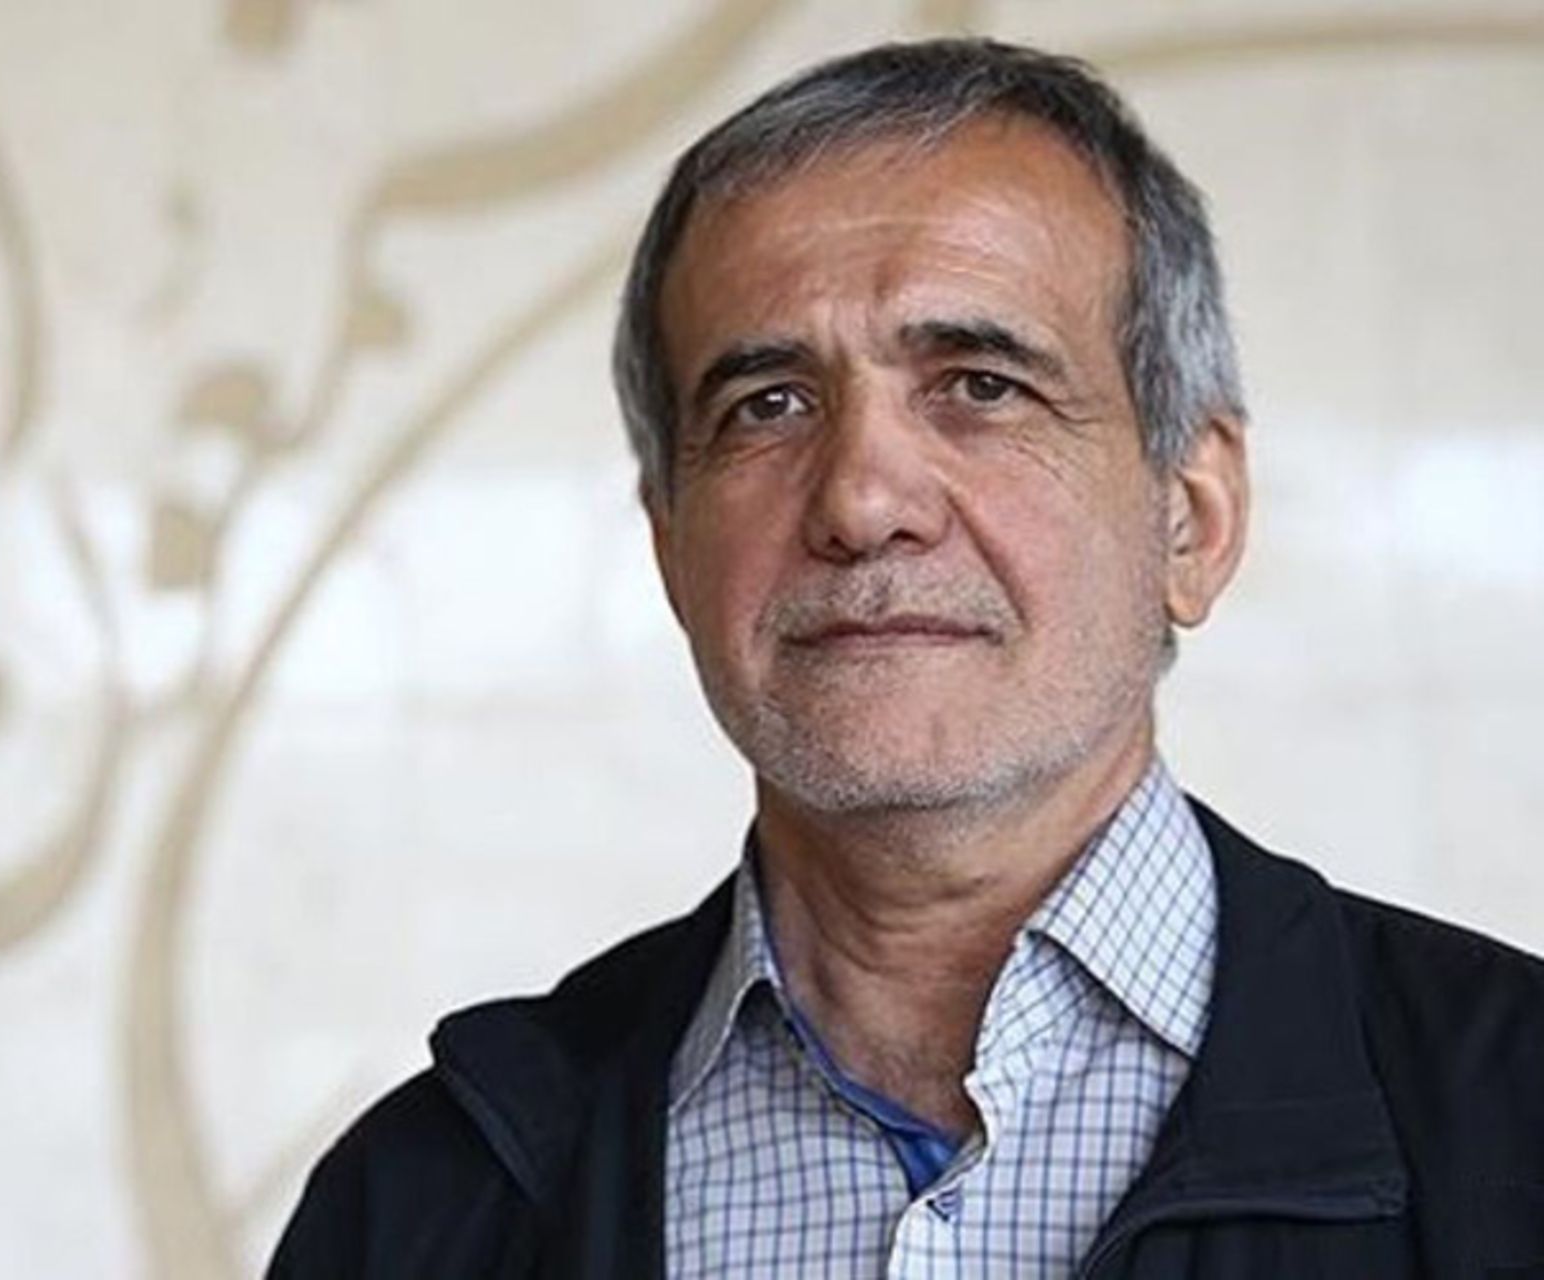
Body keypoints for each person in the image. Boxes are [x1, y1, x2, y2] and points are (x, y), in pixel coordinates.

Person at [266, 38, 1544, 1278]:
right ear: (670, 550)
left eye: (981, 384)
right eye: (767, 405)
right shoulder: (426, 1201)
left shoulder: (1513, 1124)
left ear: (1190, 519)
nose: (864, 500)